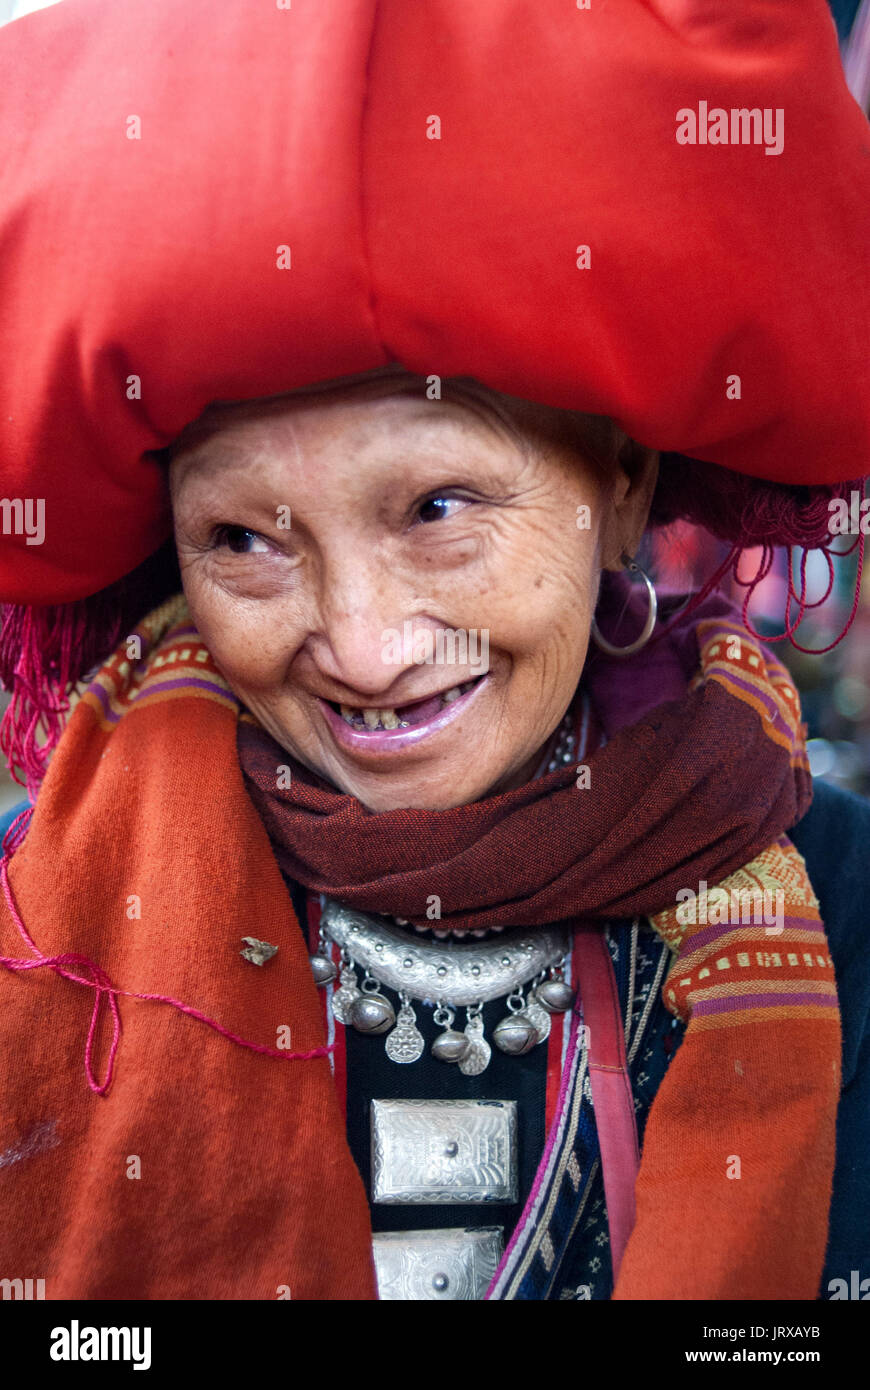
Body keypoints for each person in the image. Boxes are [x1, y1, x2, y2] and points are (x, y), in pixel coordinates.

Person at [0, 0, 868, 1302]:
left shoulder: (841, 895)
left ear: (621, 487)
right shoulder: (37, 905)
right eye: (242, 538)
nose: (361, 644)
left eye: (439, 510)